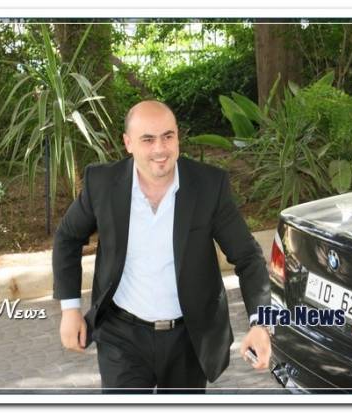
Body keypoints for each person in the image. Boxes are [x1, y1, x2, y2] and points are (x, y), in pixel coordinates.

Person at [52, 100, 272, 393]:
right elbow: (67, 237)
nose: (160, 149)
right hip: (122, 336)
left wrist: (261, 324)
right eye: (148, 139)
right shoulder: (102, 183)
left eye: (168, 136)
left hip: (188, 337)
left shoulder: (208, 186)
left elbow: (248, 256)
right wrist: (70, 309)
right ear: (128, 143)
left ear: (178, 137)